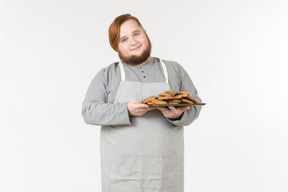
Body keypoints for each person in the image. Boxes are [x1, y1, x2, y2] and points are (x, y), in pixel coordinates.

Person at [82, 13, 202, 192]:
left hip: (165, 174)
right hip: (121, 175)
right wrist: (126, 110)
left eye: (136, 34)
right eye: (124, 39)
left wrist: (179, 115)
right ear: (116, 47)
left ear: (145, 33)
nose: (133, 42)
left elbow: (194, 104)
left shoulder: (174, 70)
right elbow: (89, 111)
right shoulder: (107, 75)